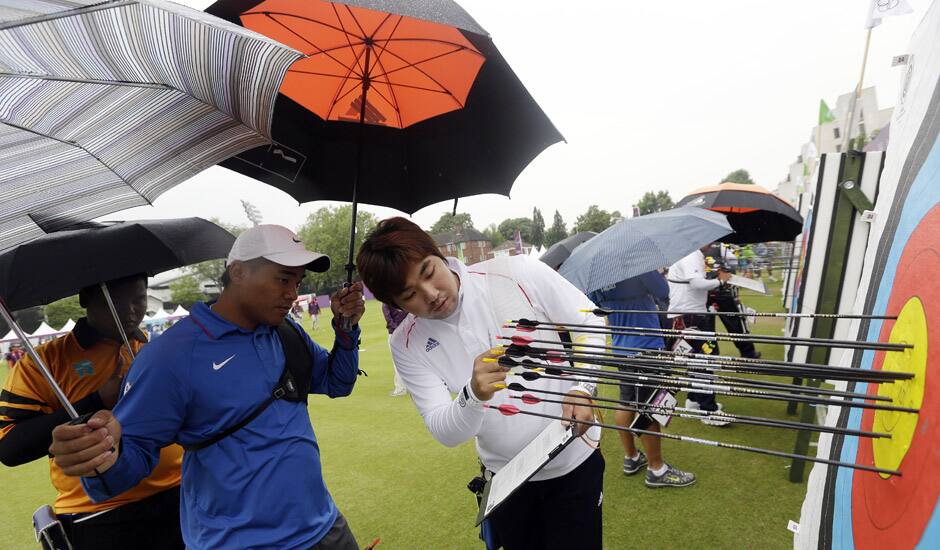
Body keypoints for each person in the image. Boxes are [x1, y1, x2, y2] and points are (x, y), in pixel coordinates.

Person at [48, 225, 366, 550]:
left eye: (297, 282)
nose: (292, 293)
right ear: (238, 272)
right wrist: (96, 456)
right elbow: (118, 472)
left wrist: (346, 326)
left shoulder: (287, 333)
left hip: (326, 528)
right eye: (283, 279)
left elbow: (337, 382)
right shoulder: (170, 356)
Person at [357, 217, 605, 550]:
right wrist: (472, 395)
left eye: (429, 272)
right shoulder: (405, 343)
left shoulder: (518, 272)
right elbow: (445, 431)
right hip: (505, 482)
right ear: (395, 305)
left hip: (573, 462)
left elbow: (589, 322)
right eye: (410, 294)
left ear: (439, 255)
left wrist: (582, 388)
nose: (430, 294)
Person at [0, 274, 184, 549]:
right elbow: (10, 447)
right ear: (85, 299)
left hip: (180, 496)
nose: (132, 312)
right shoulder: (43, 362)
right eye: (118, 302)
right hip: (99, 514)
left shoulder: (154, 349)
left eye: (139, 299)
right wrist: (98, 399)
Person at [588, 271, 696, 488]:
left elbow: (595, 307)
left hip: (621, 348)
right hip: (645, 348)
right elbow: (664, 291)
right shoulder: (637, 267)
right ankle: (657, 469)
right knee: (650, 409)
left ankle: (632, 458)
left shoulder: (596, 277)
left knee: (626, 402)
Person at [667, 245, 732, 424]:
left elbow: (693, 282)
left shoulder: (687, 252)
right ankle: (708, 411)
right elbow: (697, 284)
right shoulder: (691, 254)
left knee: (697, 359)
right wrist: (721, 281)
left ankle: (694, 400)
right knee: (705, 359)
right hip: (690, 316)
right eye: (708, 239)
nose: (712, 243)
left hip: (688, 315)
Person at [702, 243, 760, 360]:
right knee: (732, 323)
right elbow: (733, 263)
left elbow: (732, 264)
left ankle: (712, 355)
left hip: (709, 291)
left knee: (710, 326)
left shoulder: (702, 247)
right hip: (717, 290)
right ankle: (747, 353)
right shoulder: (720, 246)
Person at [382, 303, 409, 397]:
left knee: (397, 362)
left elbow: (388, 319)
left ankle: (400, 388)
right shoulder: (401, 298)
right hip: (408, 333)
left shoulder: (386, 303)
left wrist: (396, 330)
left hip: (395, 334)